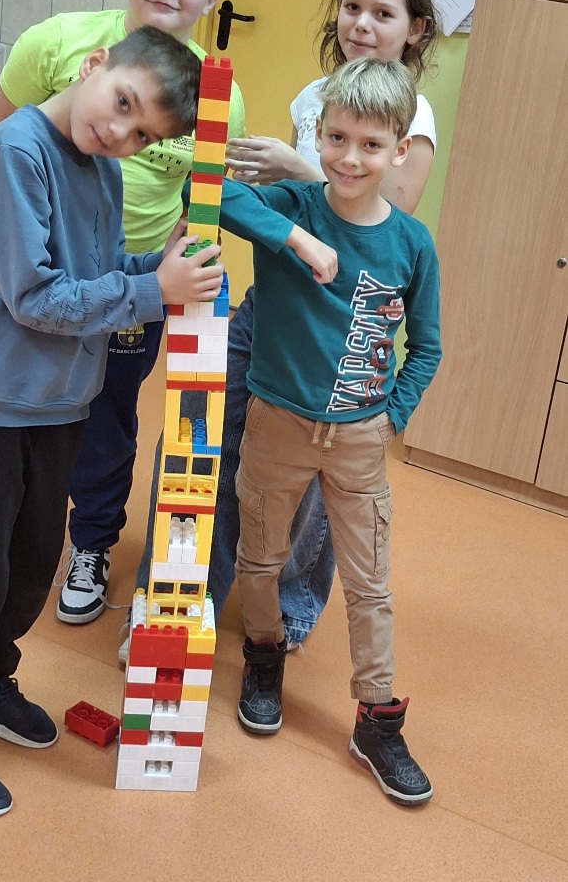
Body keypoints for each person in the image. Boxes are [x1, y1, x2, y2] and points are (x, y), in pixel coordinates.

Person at [0, 27, 224, 821]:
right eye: (122, 104)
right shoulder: (14, 155)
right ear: (93, 66)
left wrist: (157, 268)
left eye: (142, 134)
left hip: (61, 403)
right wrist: (154, 292)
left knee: (29, 565)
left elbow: (98, 273)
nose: (121, 133)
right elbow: (37, 297)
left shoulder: (102, 168)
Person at [133, 0, 439, 651]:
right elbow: (272, 206)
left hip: (342, 333)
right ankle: (176, 598)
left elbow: (389, 214)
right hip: (268, 313)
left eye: (383, 13)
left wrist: (298, 169)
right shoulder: (314, 97)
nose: (362, 24)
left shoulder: (413, 117)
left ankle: (286, 612)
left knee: (309, 485)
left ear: (415, 28)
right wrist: (283, 218)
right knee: (201, 445)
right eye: (352, 6)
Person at [0, 0, 245, 626]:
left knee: (108, 418)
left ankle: (91, 543)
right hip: (48, 275)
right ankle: (17, 533)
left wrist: (174, 272)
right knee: (34, 409)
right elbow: (2, 139)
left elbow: (206, 199)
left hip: (142, 287)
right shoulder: (58, 42)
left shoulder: (218, 96)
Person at [217, 56, 442, 805]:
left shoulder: (411, 243)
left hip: (358, 441)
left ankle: (376, 718)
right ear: (317, 135)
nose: (349, 158)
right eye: (337, 138)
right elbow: (210, 194)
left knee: (370, 585)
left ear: (399, 150)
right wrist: (296, 240)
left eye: (371, 145)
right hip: (276, 424)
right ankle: (263, 657)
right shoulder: (293, 204)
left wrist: (390, 418)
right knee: (260, 557)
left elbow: (427, 346)